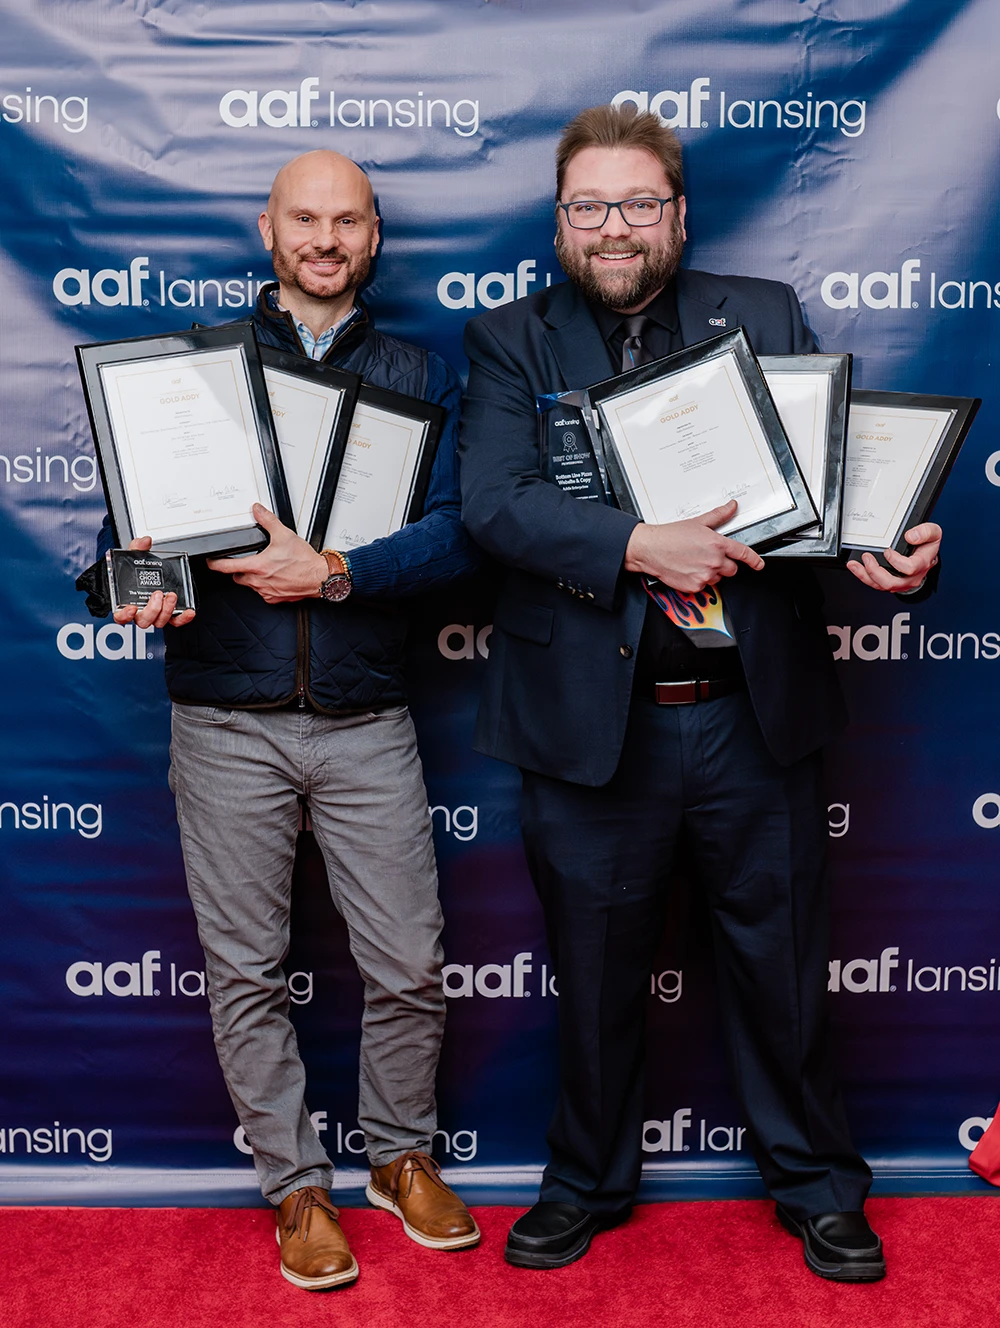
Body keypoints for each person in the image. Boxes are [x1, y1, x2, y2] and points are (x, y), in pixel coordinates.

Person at [459, 105, 941, 1282]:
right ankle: (583, 1182)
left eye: (635, 204)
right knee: (594, 980)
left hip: (747, 715)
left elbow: (816, 500)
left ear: (676, 212)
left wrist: (886, 549)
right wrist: (637, 544)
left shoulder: (762, 315)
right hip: (593, 724)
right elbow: (495, 502)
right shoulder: (509, 338)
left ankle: (820, 1185)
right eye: (588, 206)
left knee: (782, 976)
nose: (611, 228)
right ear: (558, 219)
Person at [103, 150, 480, 1290]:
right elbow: (125, 545)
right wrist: (137, 584)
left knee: (410, 961)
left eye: (348, 220)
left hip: (367, 714)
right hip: (225, 717)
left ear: (375, 237)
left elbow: (464, 536)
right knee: (246, 970)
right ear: (267, 230)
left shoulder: (421, 369)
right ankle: (296, 1184)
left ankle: (398, 1156)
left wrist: (339, 571)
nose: (326, 238)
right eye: (305, 218)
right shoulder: (196, 369)